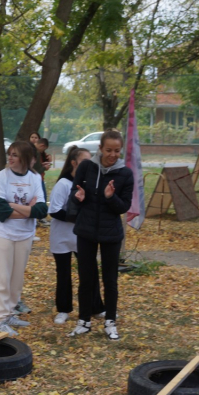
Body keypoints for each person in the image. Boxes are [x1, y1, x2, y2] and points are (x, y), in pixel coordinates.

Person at [67, 129, 134, 340]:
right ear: (100, 149)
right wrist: (78, 197)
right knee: (86, 278)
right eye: (108, 150)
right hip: (86, 230)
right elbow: (74, 194)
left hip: (110, 234)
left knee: (110, 279)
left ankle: (110, 322)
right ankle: (84, 321)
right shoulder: (87, 167)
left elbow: (123, 206)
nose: (113, 154)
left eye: (117, 150)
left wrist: (110, 197)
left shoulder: (125, 174)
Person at [0, 141, 48, 335]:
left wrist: (13, 206)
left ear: (24, 158)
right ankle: (0, 319)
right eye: (10, 154)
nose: (10, 158)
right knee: (2, 277)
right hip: (3, 234)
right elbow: (0, 211)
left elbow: (41, 211)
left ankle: (10, 313)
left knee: (16, 278)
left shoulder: (35, 178)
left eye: (14, 155)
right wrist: (28, 210)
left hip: (25, 235)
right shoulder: (2, 176)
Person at [49, 146, 93, 324]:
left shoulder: (88, 183)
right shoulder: (63, 184)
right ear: (74, 163)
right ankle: (63, 309)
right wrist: (76, 218)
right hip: (62, 236)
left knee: (88, 273)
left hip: (81, 237)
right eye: (84, 162)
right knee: (64, 273)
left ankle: (95, 307)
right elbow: (54, 211)